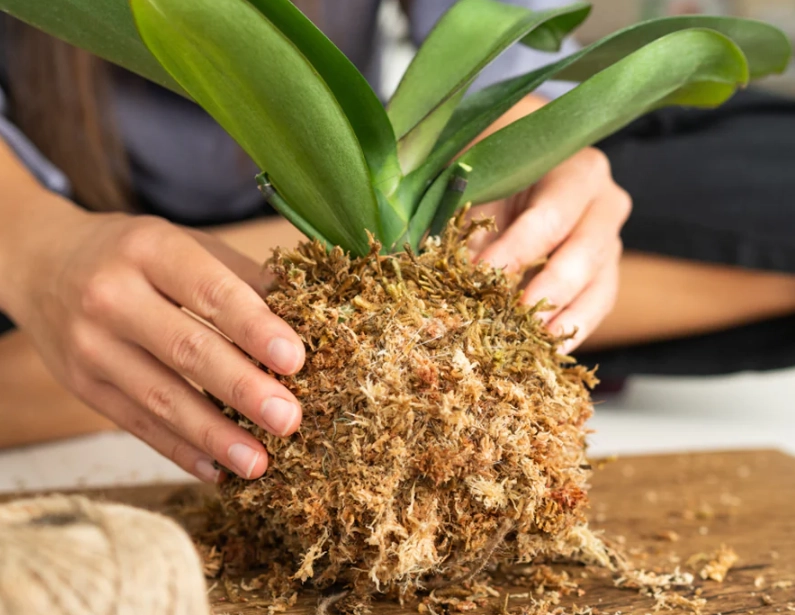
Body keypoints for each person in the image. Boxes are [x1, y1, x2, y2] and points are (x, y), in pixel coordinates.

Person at [1, 0, 793, 480]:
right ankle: (382, 297)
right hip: (57, 218)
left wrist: (532, 143)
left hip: (363, 185)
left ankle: (320, 301)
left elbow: (505, 45)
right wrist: (35, 248)